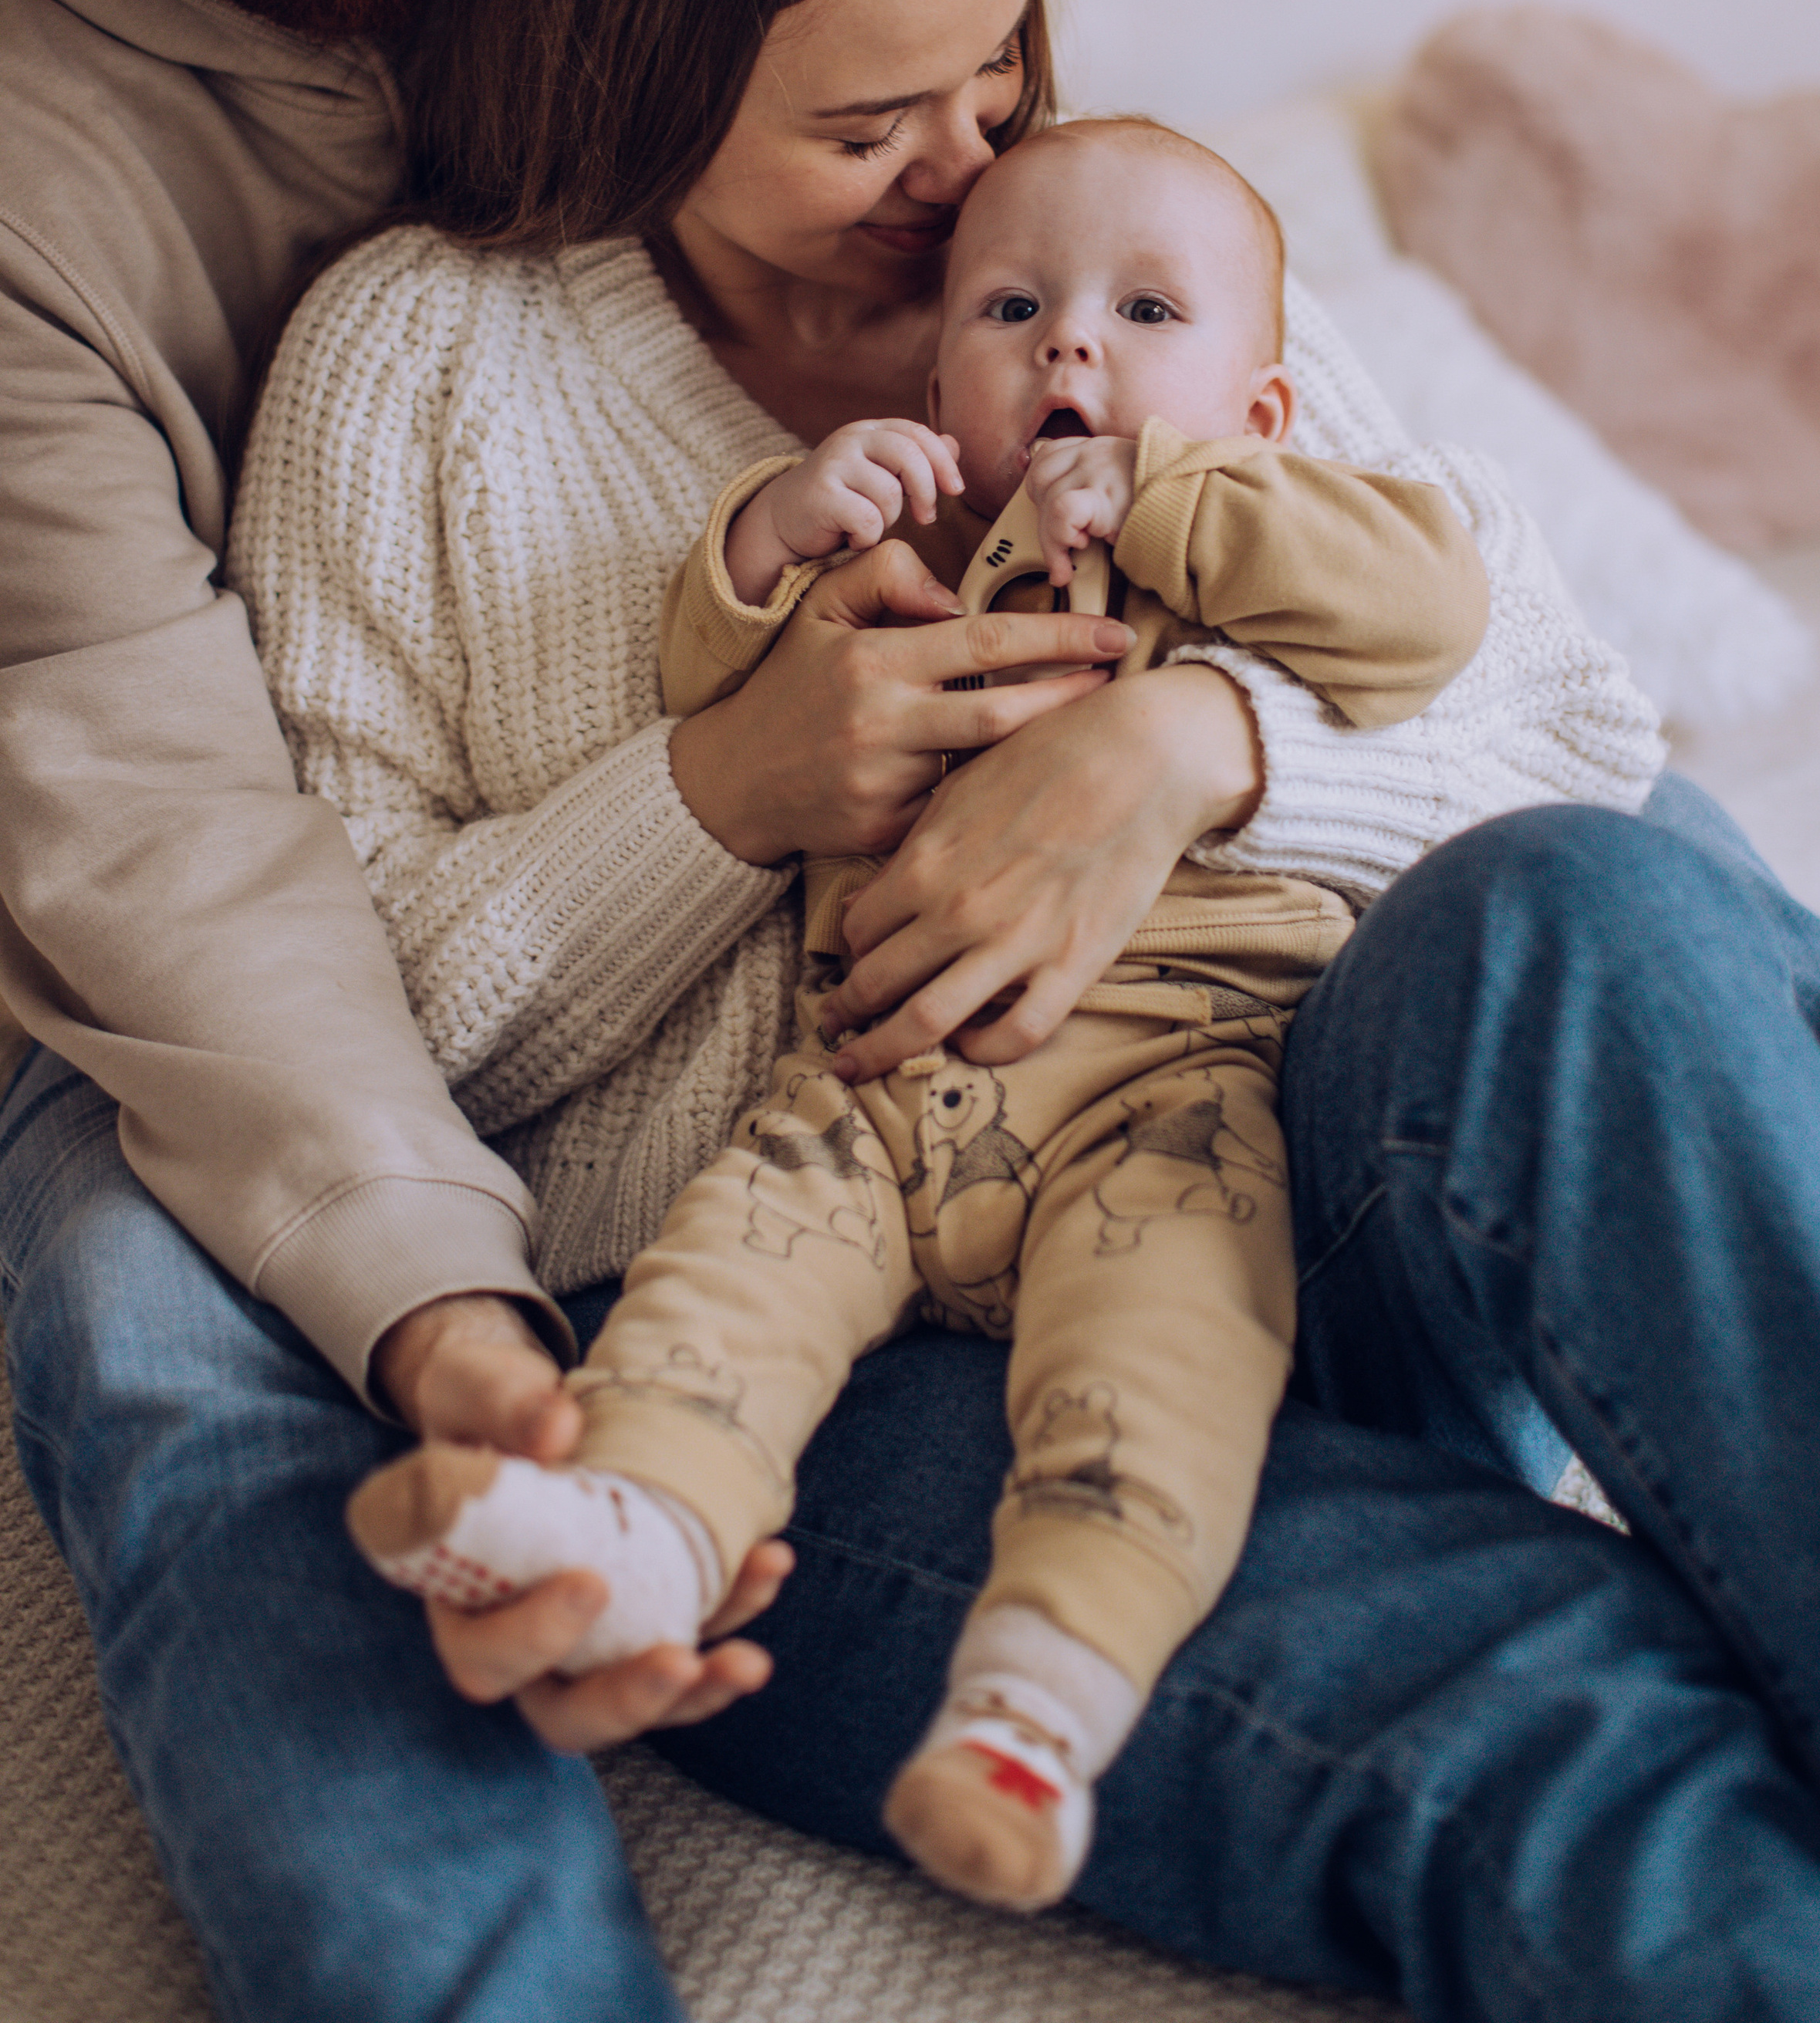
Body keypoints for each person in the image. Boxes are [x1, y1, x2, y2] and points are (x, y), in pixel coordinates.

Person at [4, 0, 1820, 2023]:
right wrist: (721, 791)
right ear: (652, 73)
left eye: (1008, 74)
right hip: (816, 1301)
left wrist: (1195, 739)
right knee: (1566, 1710)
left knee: (1613, 913)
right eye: (867, 130)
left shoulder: (1083, 244)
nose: (971, 188)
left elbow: (1551, 688)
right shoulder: (421, 374)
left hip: (1268, 1150)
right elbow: (349, 990)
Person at [341, 112, 1493, 1913]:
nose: (1070, 350)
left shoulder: (1268, 531)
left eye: (1140, 314)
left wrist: (1175, 504)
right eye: (1013, 308)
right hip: (869, 1095)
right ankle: (632, 1531)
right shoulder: (917, 553)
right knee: (715, 1291)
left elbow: (1428, 612)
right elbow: (705, 698)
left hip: (1166, 1105)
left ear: (1265, 410)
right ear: (941, 363)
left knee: (1155, 1383)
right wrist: (765, 543)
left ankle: (1038, 1706)